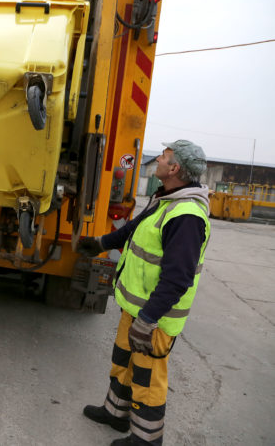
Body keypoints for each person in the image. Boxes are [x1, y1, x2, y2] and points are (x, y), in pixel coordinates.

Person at [78, 140, 211, 445]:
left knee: (147, 377)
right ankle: (116, 413)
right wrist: (100, 243)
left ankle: (146, 439)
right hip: (137, 308)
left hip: (155, 318)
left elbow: (177, 279)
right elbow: (133, 229)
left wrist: (148, 320)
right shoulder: (165, 200)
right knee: (124, 361)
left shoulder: (186, 216)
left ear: (174, 168)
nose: (158, 160)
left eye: (164, 157)